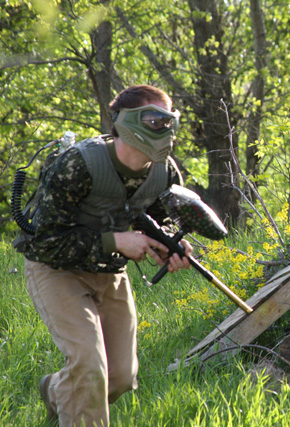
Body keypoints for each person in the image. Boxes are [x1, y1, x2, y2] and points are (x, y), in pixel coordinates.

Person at [18, 85, 193, 426]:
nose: (165, 130)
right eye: (155, 120)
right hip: (55, 270)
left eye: (169, 121)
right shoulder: (78, 164)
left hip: (110, 273)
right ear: (126, 122)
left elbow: (162, 221)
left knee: (121, 377)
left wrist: (172, 247)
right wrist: (117, 241)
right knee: (88, 365)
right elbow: (44, 241)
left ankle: (56, 390)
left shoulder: (164, 172)